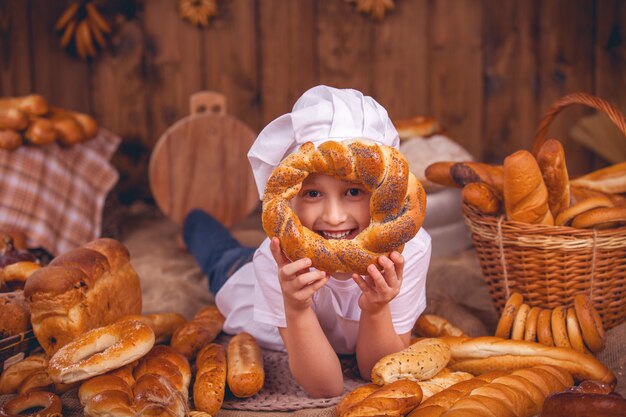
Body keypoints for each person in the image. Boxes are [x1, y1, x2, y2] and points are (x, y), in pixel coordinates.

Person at [183, 85, 432, 398]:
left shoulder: (408, 249)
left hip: (300, 260)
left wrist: (376, 309)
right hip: (245, 272)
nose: (335, 217)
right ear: (289, 199)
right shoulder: (274, 263)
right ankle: (193, 219)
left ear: (385, 193)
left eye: (353, 191)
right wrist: (297, 307)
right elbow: (324, 387)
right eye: (313, 193)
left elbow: (376, 371)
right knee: (220, 255)